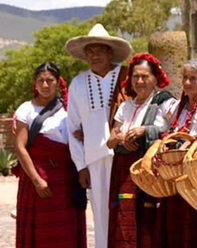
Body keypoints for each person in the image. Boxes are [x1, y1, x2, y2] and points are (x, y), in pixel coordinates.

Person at [65, 24, 133, 248]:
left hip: (125, 156)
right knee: (101, 215)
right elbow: (72, 128)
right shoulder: (78, 83)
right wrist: (80, 166)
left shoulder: (127, 78)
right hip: (94, 160)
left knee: (127, 211)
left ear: (110, 52)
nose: (94, 55)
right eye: (90, 51)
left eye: (100, 50)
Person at [106, 53, 177, 248]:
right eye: (136, 76)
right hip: (124, 170)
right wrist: (122, 137)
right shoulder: (125, 106)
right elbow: (110, 141)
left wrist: (145, 131)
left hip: (148, 169)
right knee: (124, 216)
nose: (140, 81)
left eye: (145, 76)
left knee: (147, 219)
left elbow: (175, 131)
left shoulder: (165, 103)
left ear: (156, 78)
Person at [13, 63, 86, 248]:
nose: (45, 85)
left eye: (50, 80)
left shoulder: (69, 109)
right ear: (35, 84)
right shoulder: (26, 110)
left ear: (58, 82)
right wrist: (37, 180)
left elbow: (79, 135)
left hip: (66, 179)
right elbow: (21, 148)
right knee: (40, 231)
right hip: (36, 177)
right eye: (41, 81)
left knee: (65, 229)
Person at [154, 59, 197, 248]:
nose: (187, 83)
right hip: (173, 173)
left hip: (193, 174)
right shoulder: (178, 107)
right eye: (185, 78)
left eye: (193, 78)